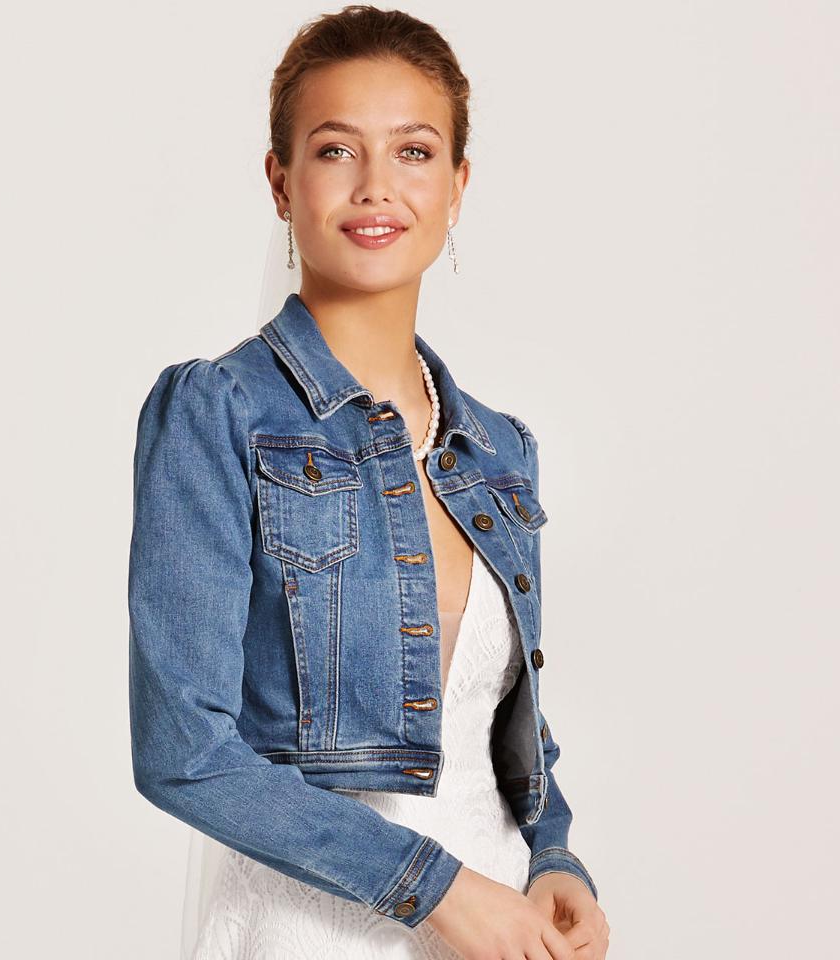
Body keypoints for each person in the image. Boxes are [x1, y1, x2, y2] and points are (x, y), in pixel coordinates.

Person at [128, 6, 609, 959]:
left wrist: (555, 857)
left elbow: (503, 725)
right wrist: (437, 891)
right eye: (337, 150)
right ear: (281, 180)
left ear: (459, 184)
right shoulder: (219, 413)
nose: (376, 186)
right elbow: (184, 750)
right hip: (316, 927)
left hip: (503, 926)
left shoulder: (499, 450)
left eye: (414, 151)